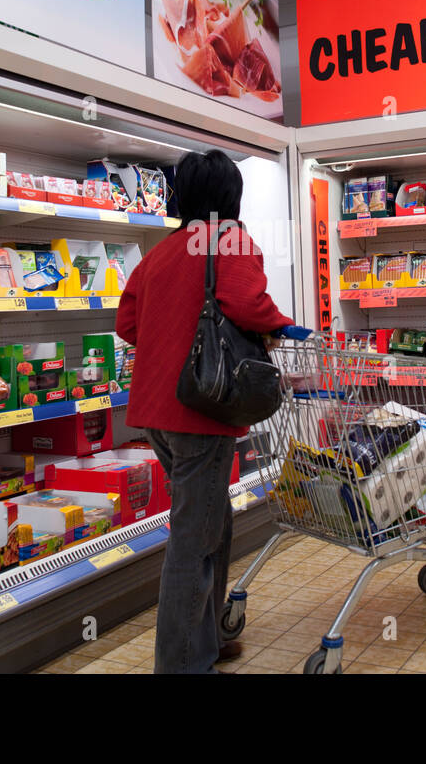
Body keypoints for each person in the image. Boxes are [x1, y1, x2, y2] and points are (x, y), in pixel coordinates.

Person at [115, 150, 305, 674]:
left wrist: (173, 336)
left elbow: (127, 323)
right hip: (202, 410)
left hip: (157, 410)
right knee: (193, 540)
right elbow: (247, 304)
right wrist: (281, 324)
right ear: (230, 195)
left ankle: (207, 643)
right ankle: (178, 664)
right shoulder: (231, 240)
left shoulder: (162, 250)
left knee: (211, 523)